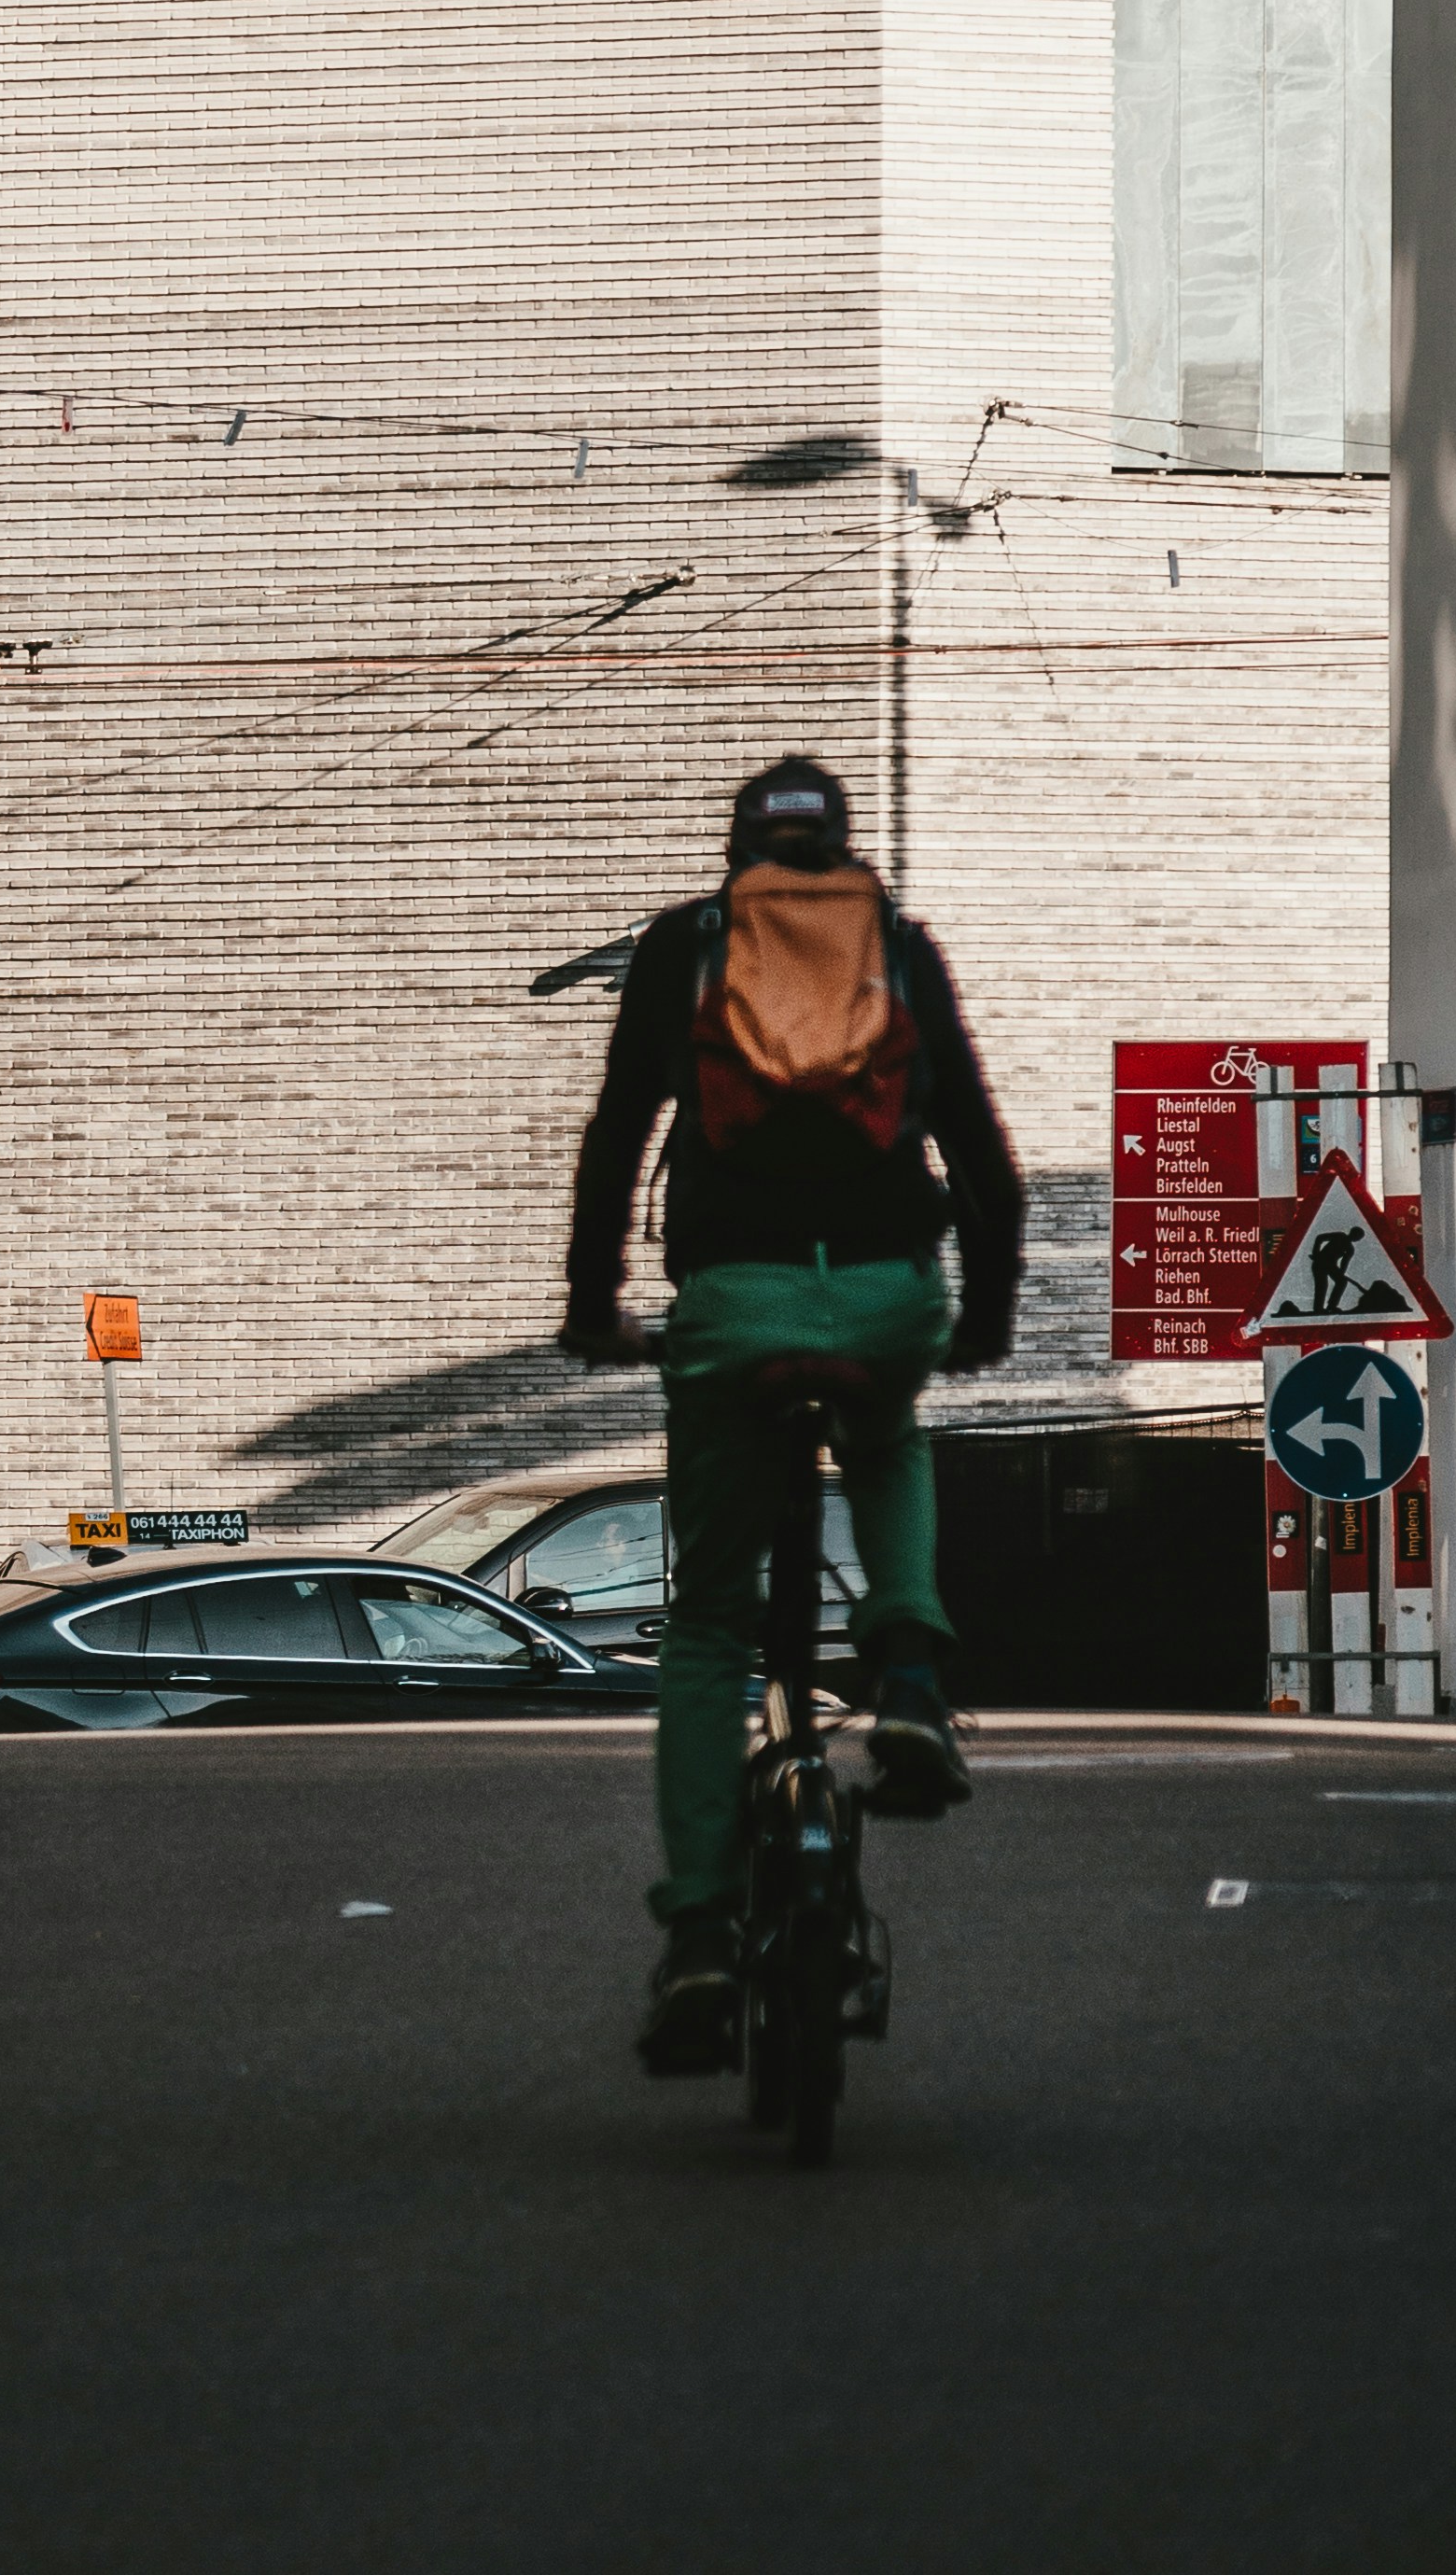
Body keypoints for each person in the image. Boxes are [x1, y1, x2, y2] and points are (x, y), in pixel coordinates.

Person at [564, 751, 1024, 2074]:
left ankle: (703, 1934)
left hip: (735, 1305)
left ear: (737, 858)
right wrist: (982, 1319)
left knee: (710, 1628)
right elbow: (985, 1162)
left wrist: (594, 1304)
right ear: (843, 852)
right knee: (887, 1437)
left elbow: (616, 1134)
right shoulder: (901, 952)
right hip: (884, 1294)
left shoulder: (685, 949)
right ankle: (911, 1677)